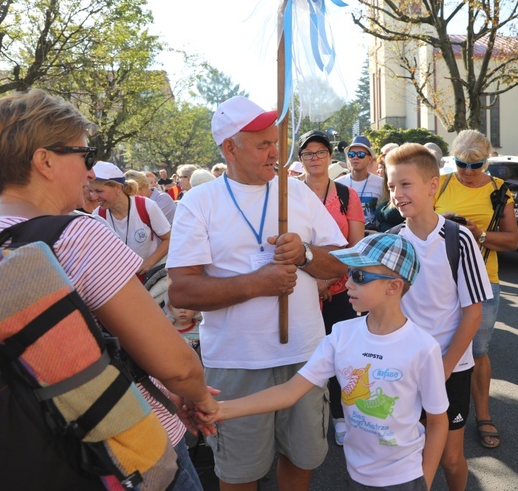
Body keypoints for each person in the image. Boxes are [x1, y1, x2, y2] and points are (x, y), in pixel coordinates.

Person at [0, 88, 218, 488]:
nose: (89, 171)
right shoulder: (78, 235)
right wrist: (199, 397)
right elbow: (176, 364)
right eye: (83, 155)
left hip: (46, 456)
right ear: (44, 160)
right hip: (129, 456)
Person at [165, 95, 348, 491]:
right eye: (263, 143)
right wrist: (255, 284)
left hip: (304, 355)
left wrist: (305, 254)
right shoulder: (199, 202)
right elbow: (181, 289)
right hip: (235, 364)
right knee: (239, 472)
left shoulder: (296, 193)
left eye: (276, 141)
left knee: (301, 460)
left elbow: (339, 264)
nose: (275, 151)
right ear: (230, 147)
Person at [215, 233, 449, 490]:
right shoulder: (341, 334)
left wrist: (425, 482)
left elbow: (438, 421)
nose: (347, 283)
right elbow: (290, 391)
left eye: (359, 277)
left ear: (393, 287)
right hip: (356, 473)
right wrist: (220, 410)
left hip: (404, 478)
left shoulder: (423, 348)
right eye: (349, 273)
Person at [386, 143, 492, 490]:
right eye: (391, 186)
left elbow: (473, 313)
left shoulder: (457, 239)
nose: (397, 194)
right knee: (409, 456)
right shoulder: (390, 243)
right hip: (403, 369)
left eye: (405, 184)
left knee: (449, 457)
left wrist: (442, 368)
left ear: (432, 186)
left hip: (451, 368)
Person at [434, 130, 518, 450]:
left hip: (483, 279)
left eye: (477, 165)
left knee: (478, 350)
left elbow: (512, 241)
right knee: (437, 346)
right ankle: (434, 411)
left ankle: (482, 415)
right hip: (439, 279)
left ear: (488, 159)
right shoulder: (440, 184)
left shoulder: (499, 190)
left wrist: (479, 234)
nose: (468, 173)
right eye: (461, 165)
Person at [296, 130, 365, 446]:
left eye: (320, 152)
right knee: (305, 356)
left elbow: (356, 247)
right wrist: (315, 280)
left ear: (330, 157)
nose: (314, 158)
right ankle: (305, 418)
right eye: (308, 153)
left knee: (342, 356)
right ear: (300, 160)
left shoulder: (347, 196)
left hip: (339, 289)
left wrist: (327, 279)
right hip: (301, 292)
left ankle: (340, 414)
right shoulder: (290, 195)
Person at [90, 162, 171, 279]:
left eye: (99, 191)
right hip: (120, 281)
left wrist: (148, 263)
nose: (93, 197)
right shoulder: (98, 215)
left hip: (151, 277)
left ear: (117, 187)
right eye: (91, 191)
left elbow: (168, 239)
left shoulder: (146, 206)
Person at [336, 135, 385, 229]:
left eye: (361, 154)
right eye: (351, 154)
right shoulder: (337, 184)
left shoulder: (381, 184)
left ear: (370, 159)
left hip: (371, 236)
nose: (355, 157)